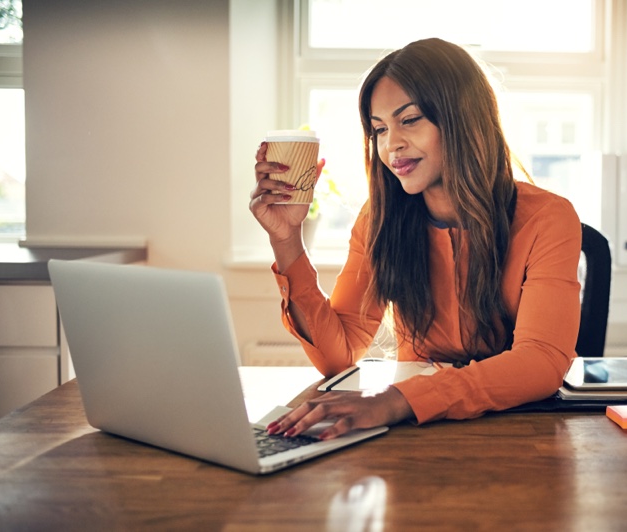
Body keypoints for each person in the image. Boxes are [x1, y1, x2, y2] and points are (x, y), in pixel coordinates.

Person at [249, 38, 581, 440]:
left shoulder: (548, 217)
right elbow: (340, 355)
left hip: (523, 430)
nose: (392, 145)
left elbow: (540, 362)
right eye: (379, 129)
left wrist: (396, 401)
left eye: (410, 120)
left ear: (463, 118)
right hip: (418, 433)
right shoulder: (378, 219)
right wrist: (287, 241)